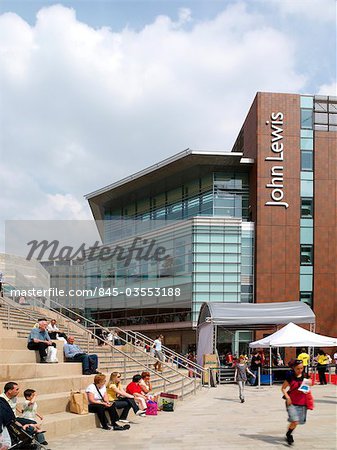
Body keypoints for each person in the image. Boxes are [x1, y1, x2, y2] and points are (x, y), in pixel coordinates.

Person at [281, 359, 312, 446]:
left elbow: (309, 385)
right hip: (291, 402)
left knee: (298, 422)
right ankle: (289, 435)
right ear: (293, 368)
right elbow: (283, 388)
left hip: (302, 402)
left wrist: (310, 384)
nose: (300, 370)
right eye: (298, 368)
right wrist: (287, 397)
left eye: (301, 368)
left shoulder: (305, 376)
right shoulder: (290, 377)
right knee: (295, 420)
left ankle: (289, 432)